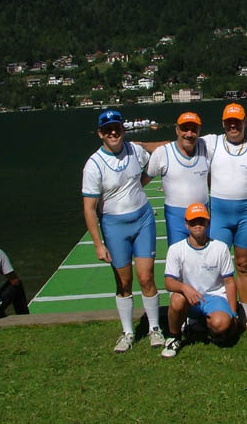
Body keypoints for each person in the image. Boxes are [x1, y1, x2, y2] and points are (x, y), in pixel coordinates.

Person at [82, 109, 164, 353]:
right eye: (107, 130)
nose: (113, 133)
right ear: (100, 134)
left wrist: (183, 141)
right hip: (114, 226)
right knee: (124, 282)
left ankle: (155, 328)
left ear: (123, 130)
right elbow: (89, 208)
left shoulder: (134, 150)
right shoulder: (94, 165)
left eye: (116, 128)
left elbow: (157, 156)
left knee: (146, 277)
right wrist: (98, 244)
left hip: (143, 220)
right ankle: (128, 332)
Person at [207, 103, 247, 331]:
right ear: (223, 124)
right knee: (217, 265)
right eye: (229, 122)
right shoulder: (212, 143)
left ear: (245, 122)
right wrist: (144, 146)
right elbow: (182, 143)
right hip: (219, 215)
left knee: (243, 265)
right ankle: (221, 310)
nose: (233, 126)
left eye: (237, 122)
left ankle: (245, 313)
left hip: (246, 214)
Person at [162, 203, 238, 358]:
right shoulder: (176, 249)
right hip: (189, 299)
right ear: (186, 224)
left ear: (208, 222)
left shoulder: (220, 248)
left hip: (215, 297)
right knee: (176, 300)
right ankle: (174, 337)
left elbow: (229, 282)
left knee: (221, 324)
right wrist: (185, 288)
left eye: (201, 221)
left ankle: (202, 325)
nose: (197, 225)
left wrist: (233, 314)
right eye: (193, 222)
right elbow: (169, 282)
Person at [144, 112, 210, 247]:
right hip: (176, 217)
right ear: (177, 130)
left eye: (194, 130)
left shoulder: (206, 146)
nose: (189, 134)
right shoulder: (162, 153)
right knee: (178, 256)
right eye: (185, 129)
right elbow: (140, 183)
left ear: (199, 131)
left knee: (203, 255)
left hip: (202, 216)